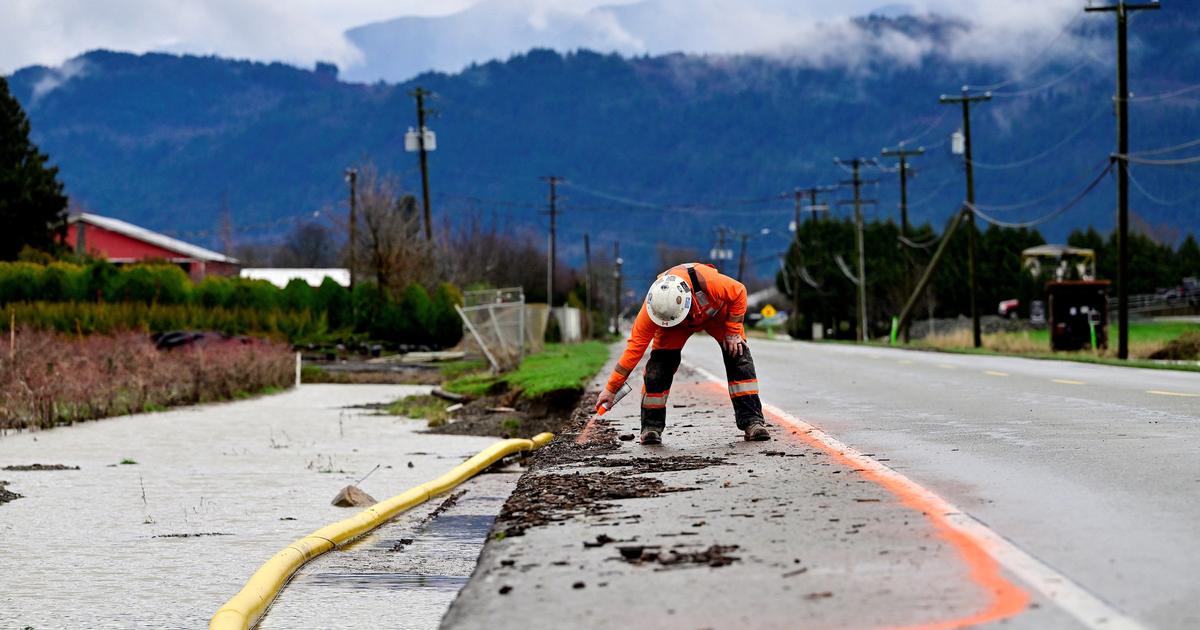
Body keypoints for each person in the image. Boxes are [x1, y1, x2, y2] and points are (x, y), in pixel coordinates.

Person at [595, 262, 770, 444]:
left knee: (739, 356)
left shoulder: (708, 280)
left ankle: (753, 421)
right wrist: (611, 388)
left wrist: (733, 331)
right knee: (657, 370)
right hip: (674, 328)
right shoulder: (653, 309)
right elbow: (634, 349)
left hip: (717, 315)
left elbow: (739, 292)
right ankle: (651, 428)